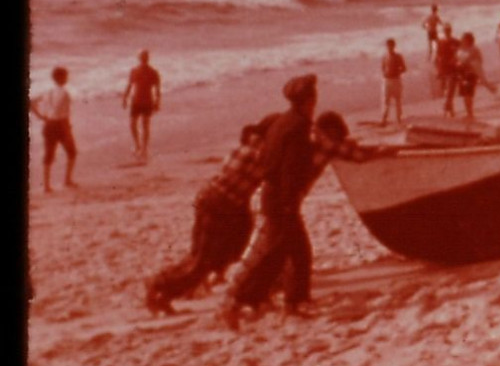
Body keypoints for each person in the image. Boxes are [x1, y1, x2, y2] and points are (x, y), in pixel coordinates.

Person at [223, 77, 378, 327]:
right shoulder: (298, 128)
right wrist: (288, 203)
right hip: (283, 199)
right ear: (308, 101)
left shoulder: (283, 122)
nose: (314, 104)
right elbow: (291, 169)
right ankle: (252, 302)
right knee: (290, 254)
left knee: (285, 252)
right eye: (313, 99)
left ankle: (266, 301)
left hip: (274, 196)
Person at [146, 113, 279, 315]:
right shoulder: (258, 153)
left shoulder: (246, 148)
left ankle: (164, 288)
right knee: (202, 262)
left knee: (202, 258)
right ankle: (159, 286)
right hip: (219, 206)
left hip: (214, 202)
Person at [30, 66, 78, 193]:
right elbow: (61, 110)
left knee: (49, 155)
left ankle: (46, 185)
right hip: (61, 124)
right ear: (61, 78)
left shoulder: (48, 91)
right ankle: (67, 180)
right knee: (72, 152)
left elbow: (30, 102)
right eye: (66, 76)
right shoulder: (65, 92)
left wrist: (41, 116)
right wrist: (66, 126)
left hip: (48, 124)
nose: (68, 78)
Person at [121, 49, 162, 163]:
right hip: (136, 101)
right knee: (133, 124)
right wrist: (124, 97)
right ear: (139, 58)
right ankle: (137, 144)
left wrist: (157, 101)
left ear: (147, 58)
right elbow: (129, 85)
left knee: (145, 125)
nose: (144, 59)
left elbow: (157, 89)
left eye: (145, 57)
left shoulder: (153, 72)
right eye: (142, 57)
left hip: (147, 100)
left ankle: (144, 148)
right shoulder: (134, 71)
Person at [458, 32, 497, 118]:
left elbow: (477, 64)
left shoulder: (473, 50)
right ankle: (469, 113)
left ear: (468, 40)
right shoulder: (463, 49)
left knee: (468, 95)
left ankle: (470, 114)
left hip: (470, 74)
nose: (462, 40)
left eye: (463, 39)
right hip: (463, 74)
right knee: (465, 95)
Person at [380, 38, 407, 126]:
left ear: (394, 46)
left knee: (398, 100)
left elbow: (404, 68)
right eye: (388, 46)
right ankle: (384, 118)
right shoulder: (384, 57)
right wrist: (384, 74)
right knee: (385, 100)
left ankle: (399, 118)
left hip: (396, 80)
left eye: (391, 46)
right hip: (387, 80)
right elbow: (382, 68)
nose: (389, 48)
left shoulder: (398, 56)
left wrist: (398, 71)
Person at [436, 25, 460, 114]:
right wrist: (438, 70)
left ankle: (447, 107)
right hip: (443, 68)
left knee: (451, 89)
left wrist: (456, 59)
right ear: (444, 31)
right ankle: (450, 109)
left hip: (453, 68)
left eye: (448, 30)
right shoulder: (440, 42)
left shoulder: (456, 41)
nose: (447, 32)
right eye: (446, 31)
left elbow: (461, 53)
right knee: (447, 89)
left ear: (450, 31)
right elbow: (437, 57)